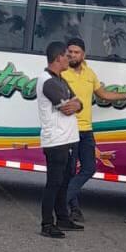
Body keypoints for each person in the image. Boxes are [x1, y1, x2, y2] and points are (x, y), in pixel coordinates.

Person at [62, 38, 126, 222]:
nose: (73, 55)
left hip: (86, 129)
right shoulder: (63, 73)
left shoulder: (90, 73)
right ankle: (72, 209)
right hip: (69, 129)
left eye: (76, 52)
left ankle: (62, 201)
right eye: (70, 52)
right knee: (70, 170)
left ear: (83, 55)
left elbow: (103, 94)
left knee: (89, 168)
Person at [36, 41, 85, 238]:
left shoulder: (61, 79)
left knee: (65, 181)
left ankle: (63, 218)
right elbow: (66, 108)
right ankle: (47, 223)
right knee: (54, 183)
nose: (69, 58)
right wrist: (73, 104)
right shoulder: (47, 81)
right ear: (58, 58)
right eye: (67, 55)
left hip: (68, 139)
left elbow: (78, 102)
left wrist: (76, 104)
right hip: (56, 140)